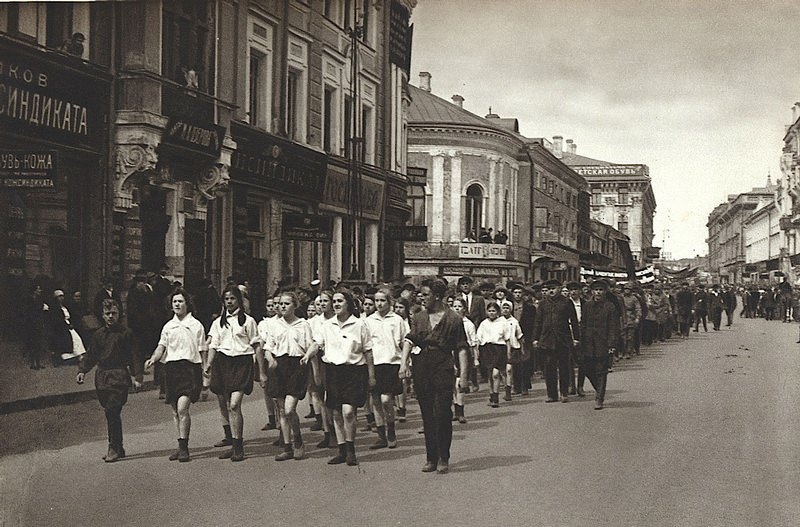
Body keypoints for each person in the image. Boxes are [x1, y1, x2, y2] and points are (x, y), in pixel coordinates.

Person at [401, 280, 469, 474]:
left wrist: (464, 377)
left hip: (443, 366)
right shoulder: (419, 317)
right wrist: (403, 363)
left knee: (442, 413)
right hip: (422, 367)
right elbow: (409, 340)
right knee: (427, 415)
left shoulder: (453, 319)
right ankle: (431, 458)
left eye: (426, 294)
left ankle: (443, 457)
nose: (422, 298)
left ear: (437, 296)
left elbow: (462, 349)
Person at [144, 289, 206, 462]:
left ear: (187, 304)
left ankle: (184, 447)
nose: (177, 305)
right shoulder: (168, 326)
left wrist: (206, 371)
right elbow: (161, 347)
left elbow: (203, 350)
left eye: (180, 301)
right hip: (171, 370)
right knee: (174, 412)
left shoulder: (196, 325)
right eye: (174, 302)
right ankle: (180, 446)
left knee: (182, 408)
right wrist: (153, 358)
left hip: (190, 369)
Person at [77, 299, 143, 462]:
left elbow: (135, 356)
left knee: (112, 411)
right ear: (103, 316)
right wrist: (82, 371)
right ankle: (118, 447)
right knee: (109, 411)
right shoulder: (98, 335)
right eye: (108, 314)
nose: (111, 316)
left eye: (114, 313)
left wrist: (138, 376)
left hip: (119, 376)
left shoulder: (126, 333)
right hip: (102, 377)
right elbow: (91, 355)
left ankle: (113, 447)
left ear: (119, 314)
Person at [206, 285, 264, 462]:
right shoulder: (218, 323)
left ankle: (238, 447)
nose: (229, 302)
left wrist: (262, 372)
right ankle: (232, 443)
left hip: (242, 363)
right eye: (226, 299)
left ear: (239, 300)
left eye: (232, 298)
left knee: (234, 404)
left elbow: (257, 346)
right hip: (222, 363)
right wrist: (208, 364)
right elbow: (213, 345)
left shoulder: (248, 321)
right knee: (224, 403)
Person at [314, 291, 373, 466]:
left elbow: (368, 351)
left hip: (354, 371)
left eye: (340, 301)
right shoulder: (327, 325)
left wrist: (371, 376)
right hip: (333, 372)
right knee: (336, 412)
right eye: (334, 301)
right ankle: (342, 450)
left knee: (348, 412)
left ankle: (351, 450)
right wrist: (308, 355)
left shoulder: (359, 324)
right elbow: (317, 344)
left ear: (348, 304)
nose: (336, 304)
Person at [264, 292, 314, 461]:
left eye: (287, 303)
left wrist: (307, 356)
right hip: (279, 366)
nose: (282, 306)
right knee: (281, 410)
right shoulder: (274, 325)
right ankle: (287, 447)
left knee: (289, 408)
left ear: (295, 305)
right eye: (281, 304)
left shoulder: (303, 324)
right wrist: (270, 358)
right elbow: (268, 347)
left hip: (296, 366)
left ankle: (298, 440)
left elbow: (312, 344)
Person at [364, 288, 408, 449]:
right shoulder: (368, 321)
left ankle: (391, 428)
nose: (379, 304)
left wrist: (406, 363)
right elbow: (365, 344)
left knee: (386, 399)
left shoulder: (397, 320)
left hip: (391, 363)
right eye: (377, 301)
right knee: (375, 400)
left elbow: (404, 342)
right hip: (374, 363)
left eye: (382, 300)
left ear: (390, 302)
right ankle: (381, 435)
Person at [532, 279, 579, 403]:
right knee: (549, 368)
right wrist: (536, 339)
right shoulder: (542, 304)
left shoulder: (567, 302)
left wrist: (576, 338)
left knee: (564, 367)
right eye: (549, 289)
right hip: (547, 340)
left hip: (563, 339)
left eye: (554, 288)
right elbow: (538, 323)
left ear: (559, 289)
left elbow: (574, 321)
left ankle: (564, 393)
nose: (551, 291)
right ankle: (552, 394)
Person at [577, 280, 619, 410]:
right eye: (596, 290)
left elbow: (613, 327)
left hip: (603, 342)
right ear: (592, 291)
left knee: (601, 371)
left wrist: (611, 344)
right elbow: (583, 324)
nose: (598, 292)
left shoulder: (610, 306)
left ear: (605, 291)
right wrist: (580, 340)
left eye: (601, 290)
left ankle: (599, 398)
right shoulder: (587, 306)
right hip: (588, 343)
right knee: (588, 370)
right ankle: (599, 389)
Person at [451, 297, 477, 423]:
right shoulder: (448, 322)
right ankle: (455, 408)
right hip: (450, 353)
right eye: (454, 306)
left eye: (459, 306)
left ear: (464, 309)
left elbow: (473, 343)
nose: (457, 309)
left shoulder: (468, 324)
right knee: (452, 384)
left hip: (463, 354)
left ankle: (460, 411)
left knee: (460, 382)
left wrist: (476, 358)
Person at [257, 297, 280, 432]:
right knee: (267, 389)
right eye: (270, 305)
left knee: (278, 391)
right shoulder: (264, 323)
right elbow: (261, 340)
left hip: (278, 356)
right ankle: (271, 417)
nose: (273, 307)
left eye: (276, 304)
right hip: (266, 356)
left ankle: (280, 419)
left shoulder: (283, 322)